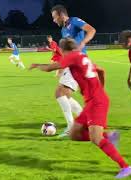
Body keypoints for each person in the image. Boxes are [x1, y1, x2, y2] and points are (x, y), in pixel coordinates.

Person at [30, 38, 131, 179]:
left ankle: (125, 167)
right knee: (74, 134)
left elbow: (50, 68)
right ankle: (109, 136)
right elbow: (102, 71)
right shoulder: (83, 56)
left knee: (96, 138)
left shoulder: (71, 56)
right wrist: (100, 89)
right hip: (93, 101)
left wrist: (37, 65)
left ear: (62, 50)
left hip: (96, 102)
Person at [51, 5, 96, 136]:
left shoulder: (74, 21)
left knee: (60, 93)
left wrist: (83, 43)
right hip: (71, 64)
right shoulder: (63, 30)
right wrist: (62, 67)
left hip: (79, 62)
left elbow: (91, 30)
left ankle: (72, 127)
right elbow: (65, 52)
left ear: (61, 15)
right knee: (65, 95)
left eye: (54, 17)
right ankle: (85, 120)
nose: (54, 20)